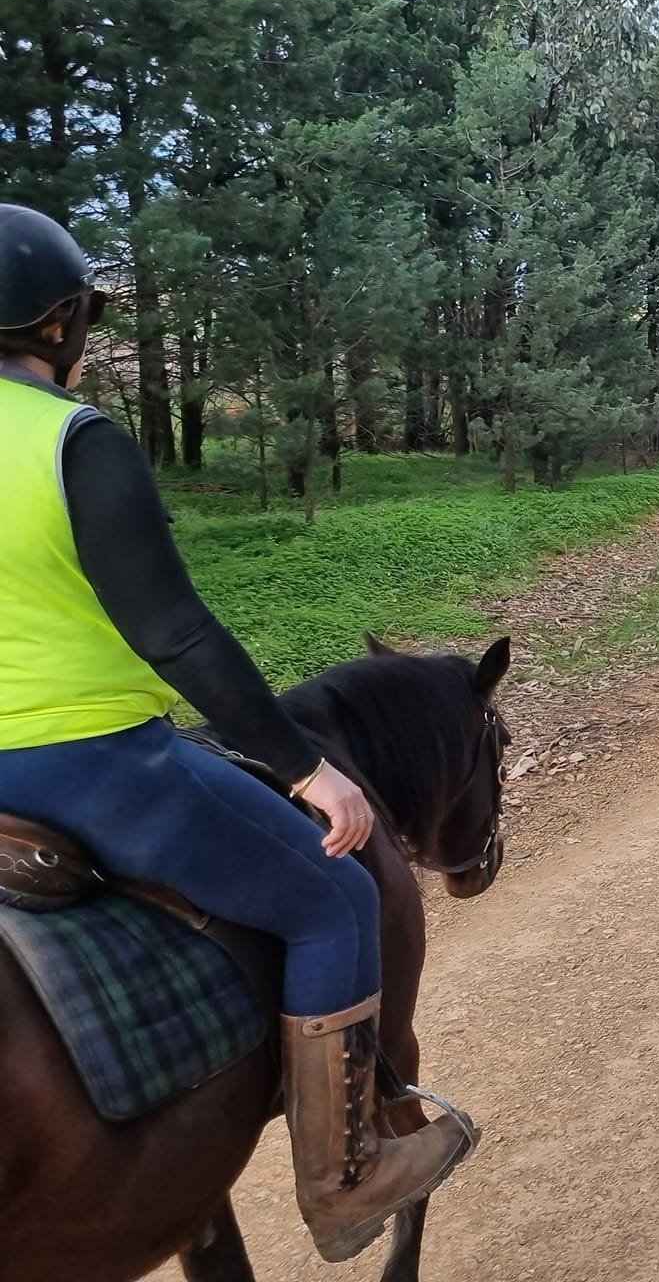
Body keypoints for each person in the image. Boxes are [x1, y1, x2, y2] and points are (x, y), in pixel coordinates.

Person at [0, 204, 472, 1264]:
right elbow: (172, 631)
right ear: (65, 321)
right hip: (90, 767)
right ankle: (345, 1174)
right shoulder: (75, 443)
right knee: (336, 894)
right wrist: (309, 767)